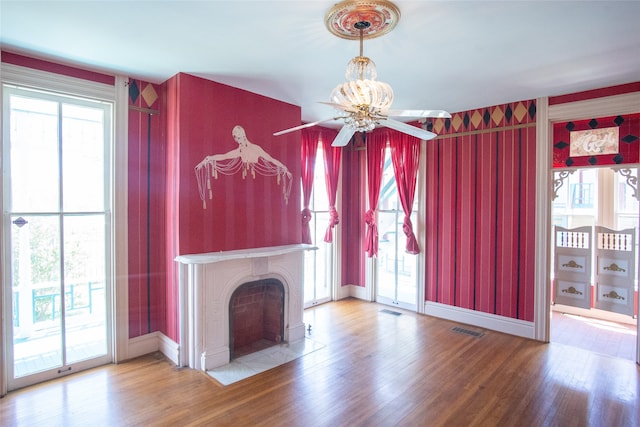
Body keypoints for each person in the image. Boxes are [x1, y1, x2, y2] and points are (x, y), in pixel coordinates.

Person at [195, 125, 292, 208]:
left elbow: (270, 159)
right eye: (236, 139)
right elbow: (224, 156)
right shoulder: (239, 151)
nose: (238, 141)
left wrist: (284, 167)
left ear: (244, 136)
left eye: (239, 138)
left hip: (260, 185)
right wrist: (208, 158)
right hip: (247, 185)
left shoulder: (255, 148)